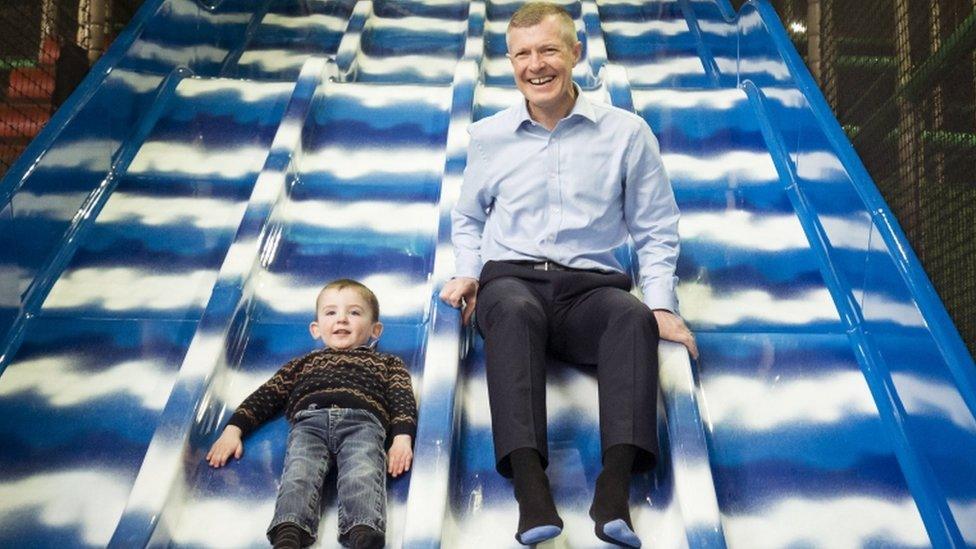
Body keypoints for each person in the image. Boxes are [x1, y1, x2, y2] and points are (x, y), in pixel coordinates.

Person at [439, 2, 698, 547]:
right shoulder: (489, 136)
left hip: (591, 292)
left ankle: (613, 493)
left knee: (632, 320)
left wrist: (661, 304)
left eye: (549, 50)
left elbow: (655, 228)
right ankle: (532, 493)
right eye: (522, 54)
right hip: (512, 280)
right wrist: (467, 271)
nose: (536, 65)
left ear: (575, 52)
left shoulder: (627, 134)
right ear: (510, 62)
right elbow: (466, 217)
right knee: (510, 310)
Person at [207, 279, 417, 549]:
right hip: (310, 422)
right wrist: (233, 430)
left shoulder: (386, 362)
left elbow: (402, 398)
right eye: (331, 312)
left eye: (354, 312)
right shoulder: (302, 364)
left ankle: (364, 530)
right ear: (316, 329)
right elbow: (268, 394)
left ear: (375, 329)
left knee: (363, 470)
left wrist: (402, 438)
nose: (341, 319)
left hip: (362, 422)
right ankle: (290, 530)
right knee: (299, 472)